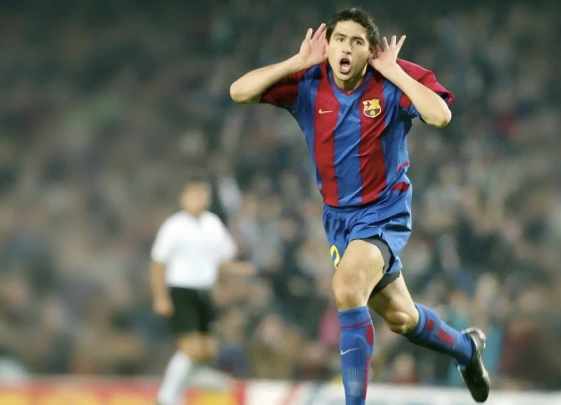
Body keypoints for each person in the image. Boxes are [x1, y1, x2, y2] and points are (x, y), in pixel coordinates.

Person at [229, 7, 490, 404]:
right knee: (402, 318)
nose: (347, 48)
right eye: (340, 40)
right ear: (328, 46)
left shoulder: (390, 80)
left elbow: (440, 116)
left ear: (370, 50)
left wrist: (396, 72)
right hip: (339, 220)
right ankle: (466, 350)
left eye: (357, 42)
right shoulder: (308, 82)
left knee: (347, 287)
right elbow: (239, 91)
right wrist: (296, 62)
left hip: (384, 212)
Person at [150, 174, 254, 405]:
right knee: (191, 348)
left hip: (205, 292)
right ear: (183, 197)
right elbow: (158, 263)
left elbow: (222, 260)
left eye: (202, 194)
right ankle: (167, 397)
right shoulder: (174, 225)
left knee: (207, 350)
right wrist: (160, 297)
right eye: (193, 194)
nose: (198, 198)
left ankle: (185, 387)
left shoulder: (212, 224)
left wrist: (241, 270)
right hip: (181, 290)